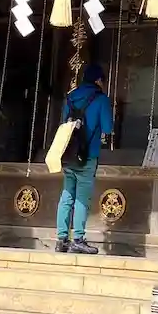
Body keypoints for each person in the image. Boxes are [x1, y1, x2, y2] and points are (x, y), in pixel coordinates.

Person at [56, 62, 113, 255]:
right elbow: (107, 128)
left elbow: (64, 123)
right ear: (98, 80)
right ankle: (78, 239)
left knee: (67, 195)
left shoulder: (70, 97)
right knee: (82, 197)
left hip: (68, 153)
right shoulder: (101, 99)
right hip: (87, 155)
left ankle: (62, 239)